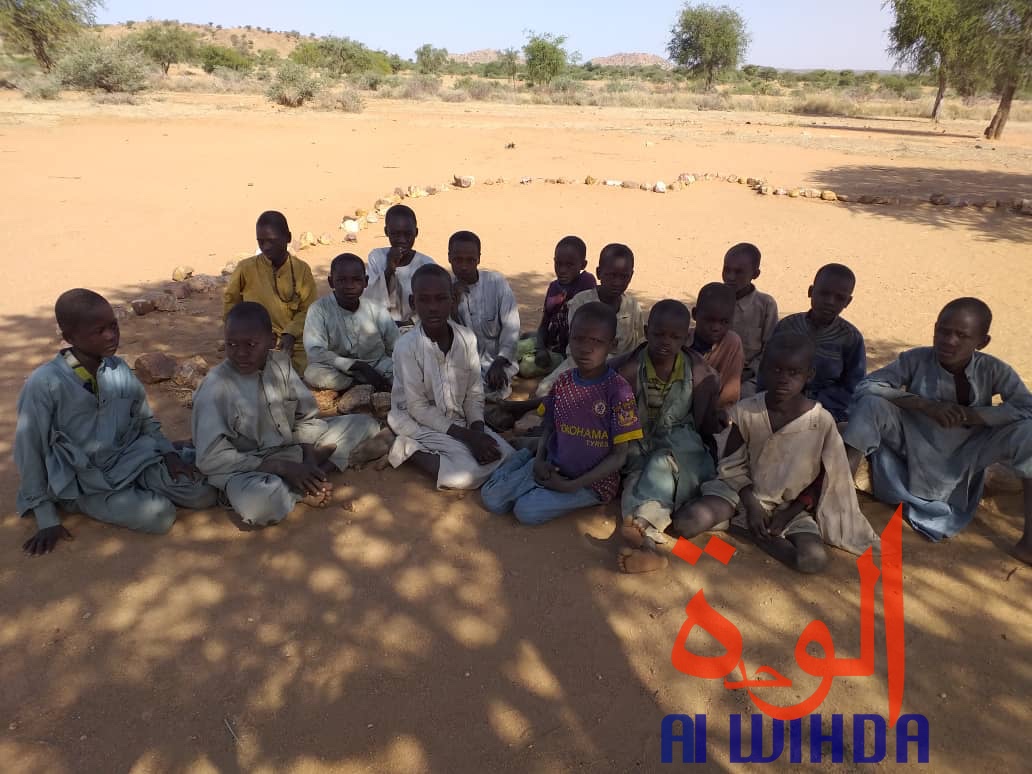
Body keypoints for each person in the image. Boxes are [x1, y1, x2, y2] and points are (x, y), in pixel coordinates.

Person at [15, 289, 217, 555]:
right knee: (160, 515)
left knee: (203, 494)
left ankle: (164, 465)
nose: (111, 335)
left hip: (132, 458)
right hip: (85, 480)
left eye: (113, 326)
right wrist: (46, 518)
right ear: (69, 337)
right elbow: (30, 450)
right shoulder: (44, 384)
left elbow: (145, 419)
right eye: (99, 331)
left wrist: (168, 454)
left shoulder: (118, 368)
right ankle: (75, 502)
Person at [842, 298, 1032, 563]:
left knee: (1028, 433)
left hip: (970, 451)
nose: (949, 341)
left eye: (962, 336)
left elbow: (1026, 407)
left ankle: (1029, 542)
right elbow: (867, 386)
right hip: (915, 441)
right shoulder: (915, 359)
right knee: (870, 405)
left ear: (982, 342)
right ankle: (838, 505)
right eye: (943, 331)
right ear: (934, 329)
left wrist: (975, 415)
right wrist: (924, 405)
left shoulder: (993, 369)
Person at [673, 333, 880, 573]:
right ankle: (751, 526)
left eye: (794, 373)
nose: (783, 379)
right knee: (686, 523)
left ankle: (755, 531)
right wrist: (752, 505)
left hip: (788, 506)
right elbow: (731, 463)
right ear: (763, 369)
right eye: (777, 370)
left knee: (813, 560)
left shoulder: (821, 422)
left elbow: (826, 479)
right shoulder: (747, 411)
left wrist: (788, 514)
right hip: (739, 494)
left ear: (809, 375)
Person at [193, 302, 386, 526]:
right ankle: (302, 488)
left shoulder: (280, 364)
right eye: (232, 344)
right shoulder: (215, 387)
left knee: (364, 424)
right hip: (248, 467)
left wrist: (308, 458)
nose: (241, 353)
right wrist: (281, 467)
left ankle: (313, 472)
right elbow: (210, 458)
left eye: (251, 344)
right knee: (258, 504)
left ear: (271, 340)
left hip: (291, 447)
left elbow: (306, 418)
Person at [482, 302, 644, 524]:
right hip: (552, 465)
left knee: (527, 511)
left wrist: (571, 485)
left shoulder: (619, 391)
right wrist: (539, 461)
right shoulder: (563, 381)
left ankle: (533, 479)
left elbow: (619, 456)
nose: (585, 348)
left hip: (590, 483)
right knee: (492, 499)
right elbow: (549, 427)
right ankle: (526, 458)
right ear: (569, 339)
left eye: (596, 341)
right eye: (578, 339)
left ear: (613, 344)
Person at [614, 300, 721, 573]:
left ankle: (642, 530)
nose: (666, 342)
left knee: (660, 464)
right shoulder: (628, 369)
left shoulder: (698, 373)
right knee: (636, 479)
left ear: (686, 338)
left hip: (681, 445)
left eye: (675, 337)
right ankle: (649, 547)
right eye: (659, 334)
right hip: (639, 442)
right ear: (646, 332)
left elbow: (706, 421)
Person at [387, 264, 514, 489]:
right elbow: (417, 408)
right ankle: (406, 449)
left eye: (441, 299)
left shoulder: (467, 338)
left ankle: (457, 449)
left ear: (452, 301)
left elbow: (474, 393)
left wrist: (477, 431)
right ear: (413, 303)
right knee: (466, 475)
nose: (433, 307)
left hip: (458, 419)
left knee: (507, 458)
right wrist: (469, 438)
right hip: (416, 420)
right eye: (424, 300)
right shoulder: (406, 347)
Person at [534, 243, 645, 397]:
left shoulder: (633, 307)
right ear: (599, 273)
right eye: (611, 275)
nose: (617, 282)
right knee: (545, 390)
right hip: (580, 363)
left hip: (619, 370)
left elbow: (639, 347)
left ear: (631, 276)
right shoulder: (581, 302)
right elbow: (577, 342)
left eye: (623, 276)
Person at [768, 263, 865, 424]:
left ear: (848, 302)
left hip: (827, 411)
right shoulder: (787, 327)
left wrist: (815, 404)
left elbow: (853, 386)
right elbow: (767, 368)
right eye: (824, 293)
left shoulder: (851, 338)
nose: (830, 302)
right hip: (780, 401)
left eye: (839, 298)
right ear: (811, 292)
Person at [224, 210, 317, 373]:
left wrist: (290, 334)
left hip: (293, 343)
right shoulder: (246, 268)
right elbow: (231, 304)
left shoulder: (301, 270)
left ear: (288, 237)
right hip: (253, 343)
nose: (265, 247)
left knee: (306, 371)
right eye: (261, 242)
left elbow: (308, 310)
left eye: (271, 241)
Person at [303, 253, 398, 393]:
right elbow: (315, 352)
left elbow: (396, 346)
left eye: (356, 280)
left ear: (365, 281)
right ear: (331, 282)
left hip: (377, 365)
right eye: (342, 280)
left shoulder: (377, 309)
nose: (349, 286)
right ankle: (356, 386)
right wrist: (356, 365)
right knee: (312, 373)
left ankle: (377, 385)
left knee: (404, 370)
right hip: (340, 370)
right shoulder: (319, 309)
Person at [448, 230, 521, 399]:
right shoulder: (444, 290)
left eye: (470, 260)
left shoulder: (496, 283)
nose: (464, 266)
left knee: (495, 388)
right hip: (462, 365)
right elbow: (447, 337)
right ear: (449, 257)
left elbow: (512, 327)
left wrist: (500, 361)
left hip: (497, 361)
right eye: (458, 260)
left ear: (479, 259)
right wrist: (452, 303)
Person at [516, 235, 596, 379]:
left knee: (526, 367)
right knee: (512, 350)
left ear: (583, 265)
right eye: (558, 264)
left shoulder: (586, 282)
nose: (562, 270)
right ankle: (530, 344)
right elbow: (544, 323)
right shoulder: (553, 287)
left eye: (569, 265)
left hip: (567, 353)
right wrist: (541, 348)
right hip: (548, 342)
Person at [365, 204, 436, 328]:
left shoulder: (426, 264)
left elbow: (432, 304)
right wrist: (389, 269)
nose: (402, 240)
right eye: (395, 234)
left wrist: (408, 323)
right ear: (386, 232)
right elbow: (370, 298)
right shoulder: (377, 257)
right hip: (380, 327)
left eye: (407, 234)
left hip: (416, 328)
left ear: (416, 232)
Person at [722, 242, 778, 397]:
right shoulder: (714, 297)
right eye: (726, 270)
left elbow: (770, 350)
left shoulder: (766, 305)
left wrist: (748, 372)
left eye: (739, 272)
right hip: (713, 368)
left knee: (745, 397)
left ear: (755, 274)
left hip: (749, 375)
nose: (730, 277)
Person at [688, 282, 744, 410]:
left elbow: (729, 395)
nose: (716, 328)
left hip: (712, 410)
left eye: (724, 322)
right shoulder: (682, 339)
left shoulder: (731, 343)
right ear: (695, 314)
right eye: (709, 320)